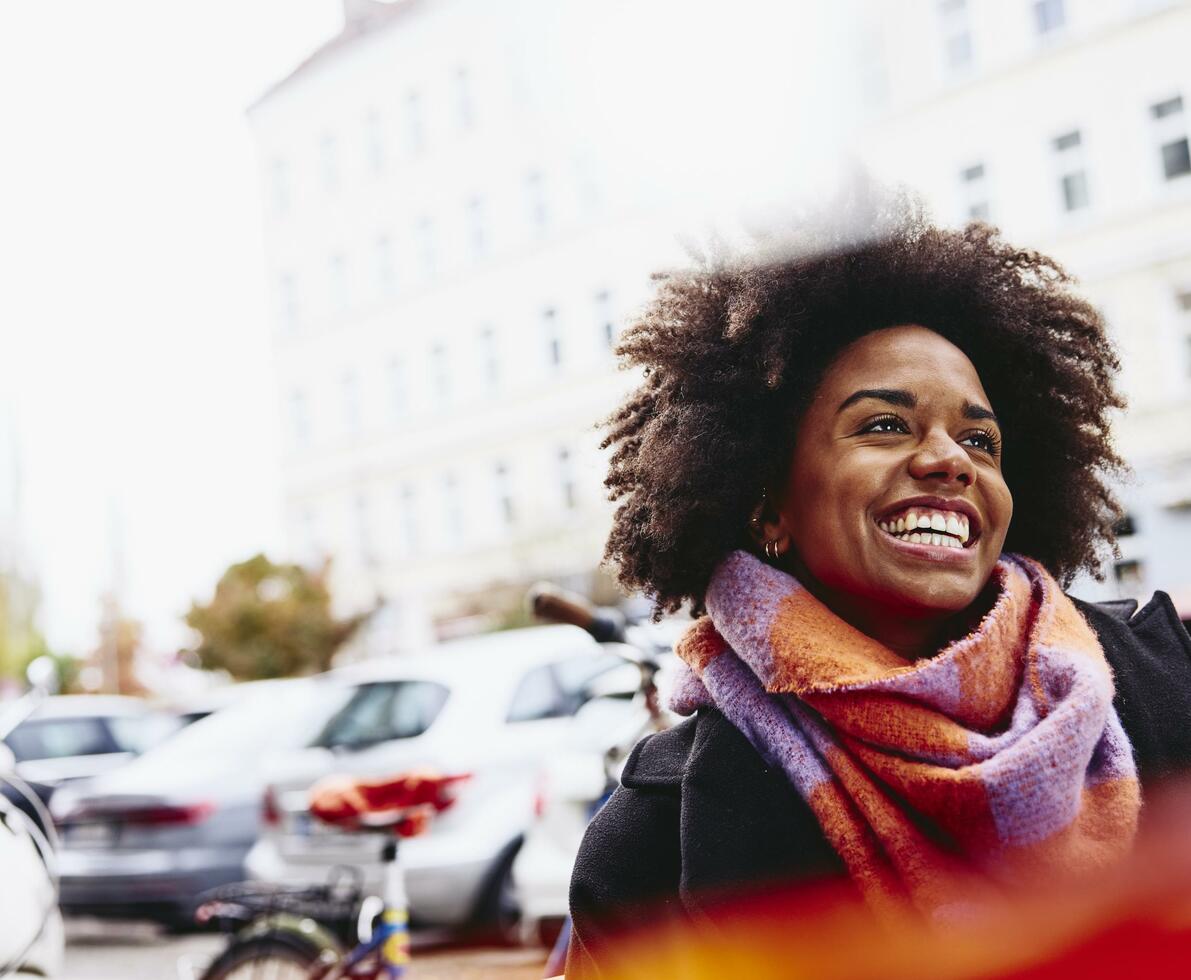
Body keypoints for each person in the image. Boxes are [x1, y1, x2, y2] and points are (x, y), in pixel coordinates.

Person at [564, 209, 1191, 977]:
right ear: (767, 505)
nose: (947, 460)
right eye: (885, 425)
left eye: (980, 440)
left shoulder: (1165, 680)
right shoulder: (659, 833)